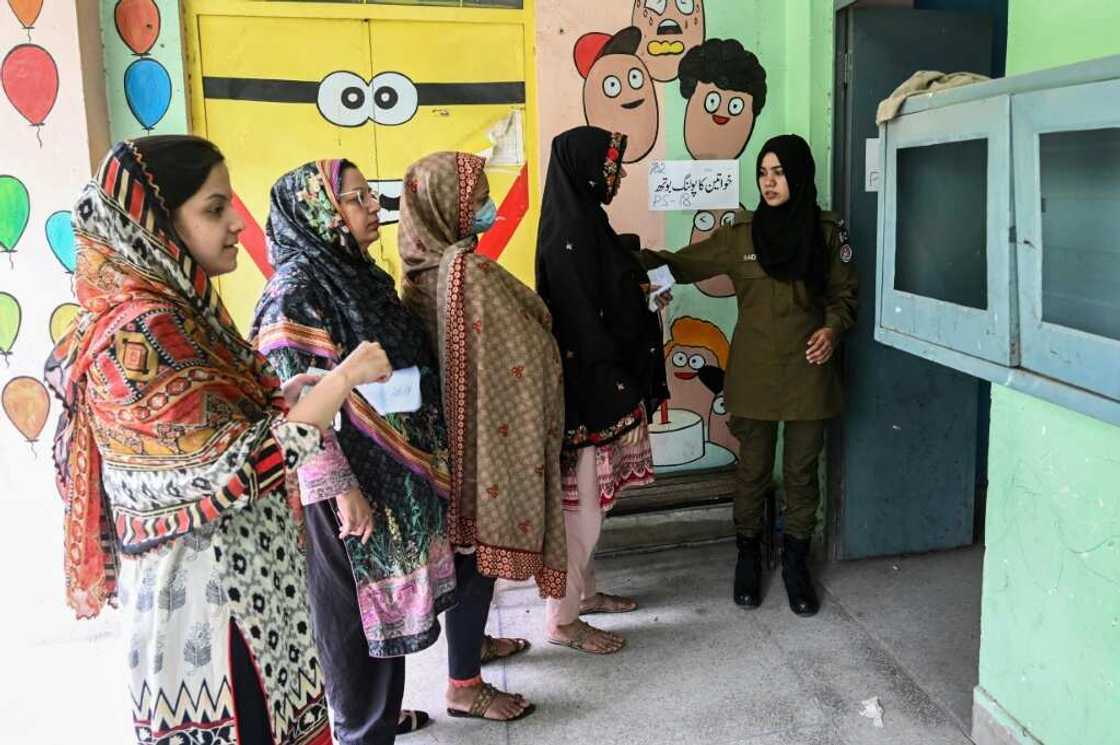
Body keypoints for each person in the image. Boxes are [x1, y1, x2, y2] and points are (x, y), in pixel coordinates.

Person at [44, 136, 393, 745]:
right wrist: (343, 379)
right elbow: (235, 469)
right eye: (213, 209)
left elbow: (216, 432)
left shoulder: (182, 312)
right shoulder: (142, 333)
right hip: (209, 609)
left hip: (251, 591)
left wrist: (288, 398)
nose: (237, 222)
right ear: (155, 223)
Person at [250, 159, 459, 743]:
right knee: (352, 621)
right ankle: (361, 728)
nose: (374, 207)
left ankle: (380, 715)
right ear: (318, 210)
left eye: (372, 195)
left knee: (385, 613)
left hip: (389, 473)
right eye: (356, 198)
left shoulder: (356, 273)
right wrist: (340, 489)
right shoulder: (295, 292)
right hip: (349, 489)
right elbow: (293, 411)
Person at [642, 133, 858, 617]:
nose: (769, 182)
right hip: (754, 373)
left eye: (779, 172)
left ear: (799, 176)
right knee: (752, 471)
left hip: (809, 371)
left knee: (802, 472)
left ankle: (797, 560)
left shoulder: (825, 232)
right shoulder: (741, 234)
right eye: (763, 172)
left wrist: (832, 330)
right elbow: (683, 263)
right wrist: (628, 258)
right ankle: (747, 555)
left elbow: (845, 295)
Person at [397, 151, 568, 722]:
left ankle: (474, 647)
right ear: (448, 205)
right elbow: (532, 323)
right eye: (476, 200)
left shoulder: (420, 267)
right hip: (478, 450)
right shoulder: (465, 272)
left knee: (469, 556)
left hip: (444, 442)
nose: (485, 209)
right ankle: (464, 686)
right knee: (475, 559)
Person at [535, 126, 669, 654]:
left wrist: (641, 294)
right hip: (591, 392)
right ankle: (562, 621)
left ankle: (583, 595)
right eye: (614, 164)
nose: (619, 174)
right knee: (582, 510)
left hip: (602, 384)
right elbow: (585, 324)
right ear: (588, 166)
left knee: (591, 506)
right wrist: (620, 376)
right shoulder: (568, 233)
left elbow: (612, 292)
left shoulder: (585, 220)